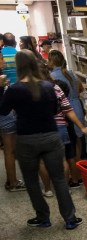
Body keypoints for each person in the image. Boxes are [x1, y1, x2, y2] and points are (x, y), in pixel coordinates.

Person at [0, 51, 83, 229]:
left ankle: (43, 217)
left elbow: (3, 110)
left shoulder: (14, 89)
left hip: (26, 139)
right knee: (59, 179)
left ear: (18, 66)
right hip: (51, 136)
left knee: (31, 181)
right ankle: (70, 218)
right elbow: (54, 110)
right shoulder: (47, 86)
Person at [47, 49, 86, 187]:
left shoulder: (52, 76)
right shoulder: (71, 73)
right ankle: (80, 174)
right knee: (78, 142)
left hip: (67, 110)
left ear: (51, 61)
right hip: (77, 107)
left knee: (70, 145)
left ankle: (73, 176)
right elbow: (80, 89)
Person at [0, 50, 25, 191]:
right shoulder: (1, 78)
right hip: (5, 118)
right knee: (10, 151)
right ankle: (13, 182)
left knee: (8, 150)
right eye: (1, 58)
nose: (4, 61)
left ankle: (11, 180)